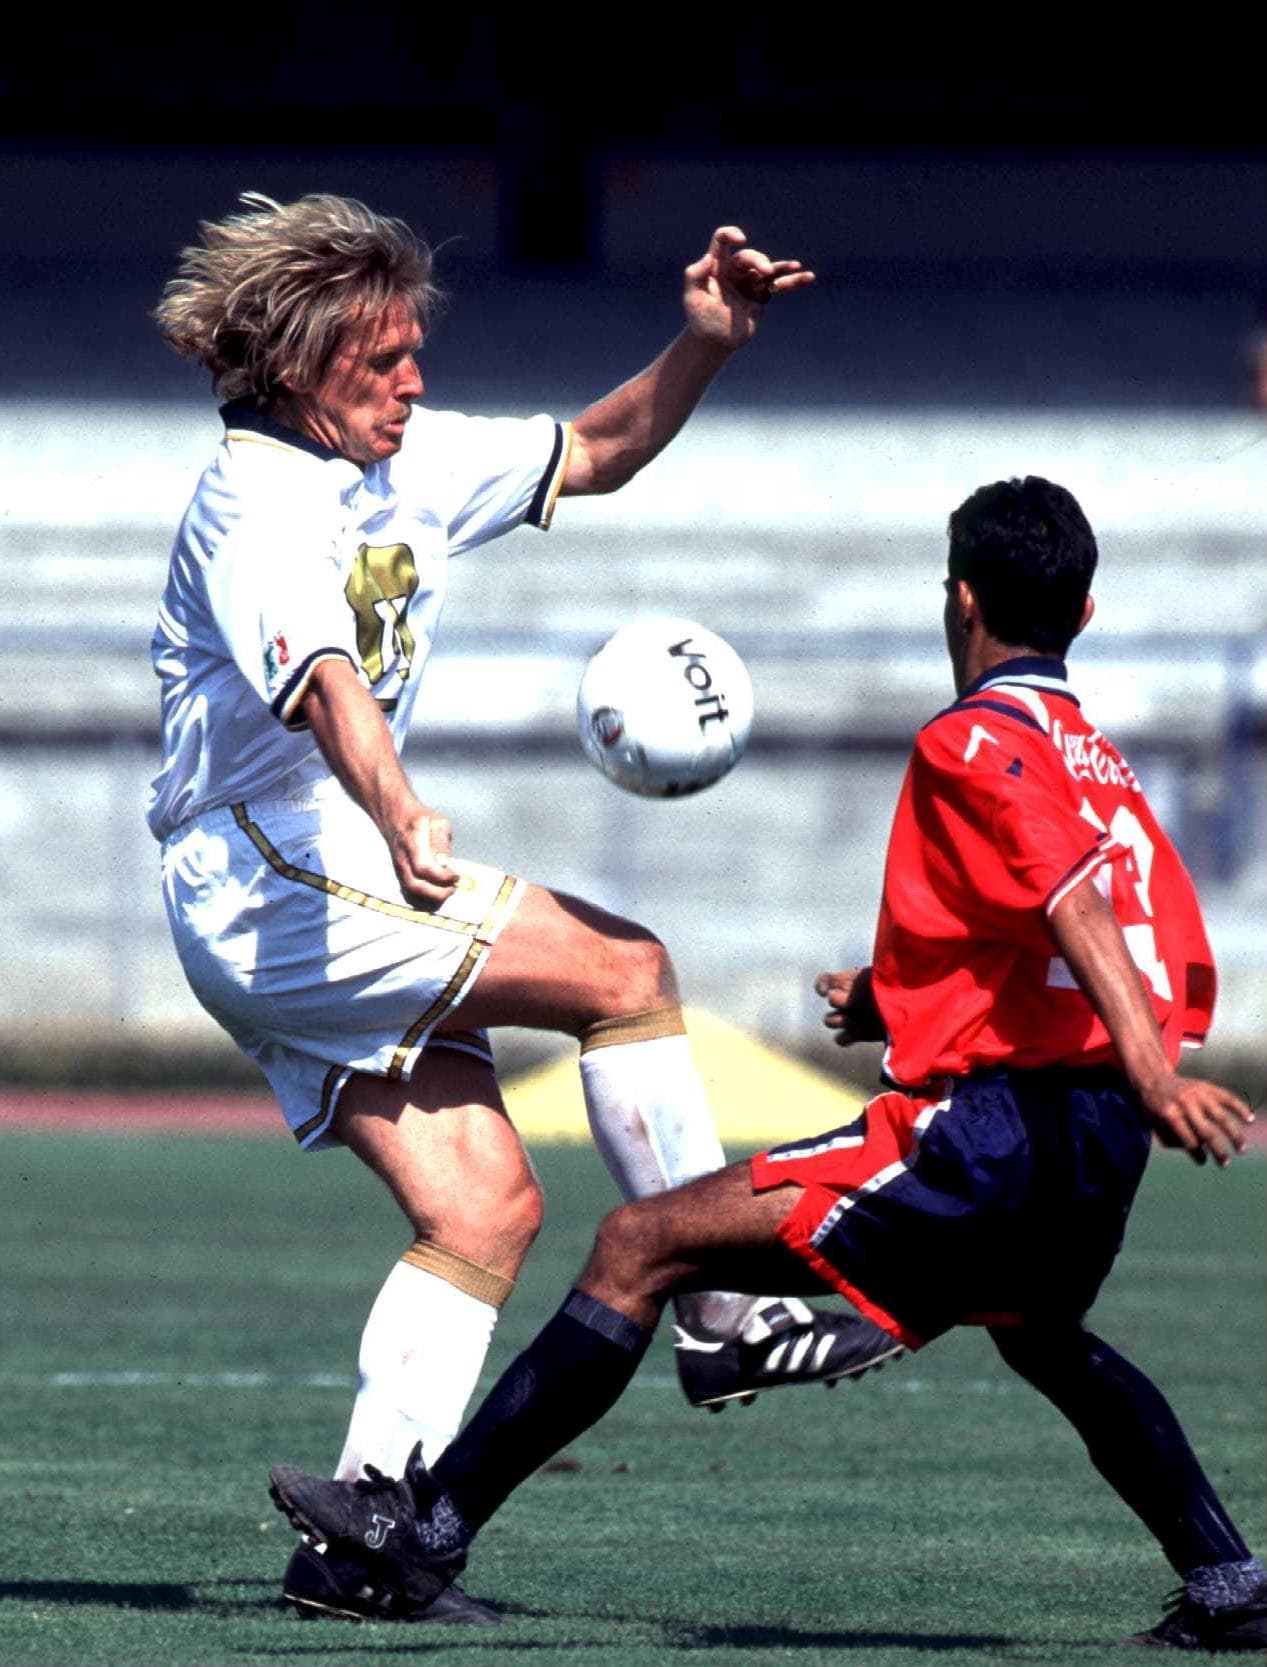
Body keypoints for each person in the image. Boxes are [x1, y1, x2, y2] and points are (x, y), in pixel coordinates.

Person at [270, 476, 1266, 1652]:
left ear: (959, 599)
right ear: (1084, 614)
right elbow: (1113, 936)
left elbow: (1072, 905)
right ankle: (1226, 1581)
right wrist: (899, 999)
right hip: (1087, 1141)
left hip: (1000, 1132)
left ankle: (417, 1535)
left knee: (641, 1244)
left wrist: (1153, 1077)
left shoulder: (977, 736)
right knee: (1042, 1332)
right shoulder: (1099, 761)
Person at [147, 192, 900, 1624]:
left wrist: (703, 345)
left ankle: (363, 1538)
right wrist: (398, 807)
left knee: (486, 1202)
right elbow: (324, 683)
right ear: (302, 368)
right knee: (626, 966)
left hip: (297, 881)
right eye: (383, 360)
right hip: (268, 866)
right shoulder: (254, 500)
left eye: (414, 352)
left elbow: (599, 449)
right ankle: (724, 1312)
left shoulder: (403, 458)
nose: (414, 380)